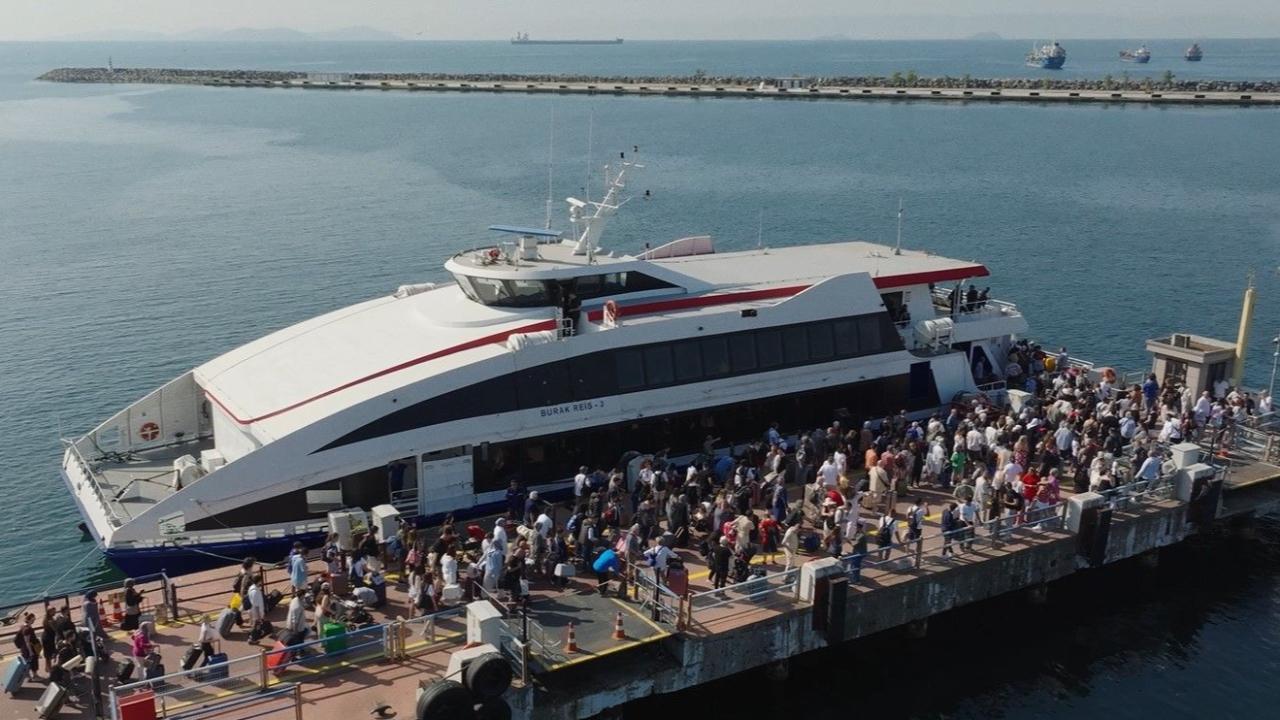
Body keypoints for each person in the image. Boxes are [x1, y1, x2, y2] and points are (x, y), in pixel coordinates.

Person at [15, 613, 39, 680]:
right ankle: (35, 676)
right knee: (33, 662)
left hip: (24, 648)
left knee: (27, 663)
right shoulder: (27, 629)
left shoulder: (23, 626)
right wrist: (31, 652)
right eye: (33, 619)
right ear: (29, 619)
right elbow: (27, 641)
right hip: (29, 648)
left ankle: (28, 677)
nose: (34, 620)